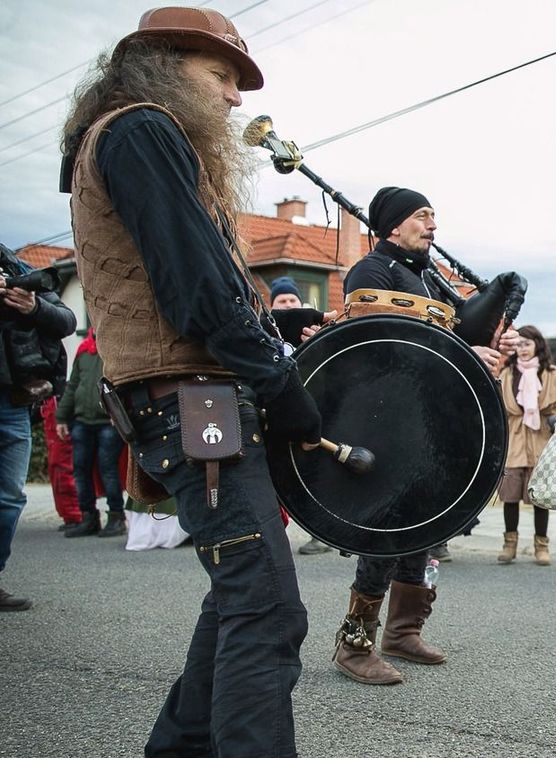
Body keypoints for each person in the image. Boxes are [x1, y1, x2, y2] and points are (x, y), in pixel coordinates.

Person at [61, 8, 318, 753]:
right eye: (223, 76)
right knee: (265, 609)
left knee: (243, 595)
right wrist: (276, 378)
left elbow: (192, 281)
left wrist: (276, 342)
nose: (238, 99)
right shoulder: (142, 128)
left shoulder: (128, 134)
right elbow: (196, 289)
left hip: (191, 396)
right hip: (192, 399)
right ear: (167, 65)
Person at [331, 185, 514, 686]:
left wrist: (494, 343)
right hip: (387, 422)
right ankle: (355, 643)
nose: (432, 225)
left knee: (424, 526)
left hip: (427, 422)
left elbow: (454, 338)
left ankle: (403, 631)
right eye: (422, 216)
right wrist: (463, 354)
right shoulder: (370, 273)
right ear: (392, 224)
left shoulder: (423, 276)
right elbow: (384, 348)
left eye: (434, 216)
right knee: (388, 528)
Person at [0, 254, 76, 612]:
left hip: (13, 400)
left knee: (10, 497)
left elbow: (66, 321)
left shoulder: (16, 270)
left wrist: (31, 307)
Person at [268, 275, 332, 556]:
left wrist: (319, 345)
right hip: (273, 421)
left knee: (316, 476)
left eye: (293, 300)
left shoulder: (313, 334)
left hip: (311, 418)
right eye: (282, 301)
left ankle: (321, 531)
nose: (289, 305)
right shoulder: (263, 335)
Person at [496, 325, 556, 567]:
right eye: (519, 344)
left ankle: (541, 546)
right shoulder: (506, 374)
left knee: (539, 498)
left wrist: (555, 419)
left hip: (540, 441)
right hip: (514, 441)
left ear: (537, 344)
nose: (522, 349)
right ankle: (509, 544)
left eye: (526, 343)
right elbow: (499, 410)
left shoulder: (552, 374)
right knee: (510, 496)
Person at [56, 330, 128, 538]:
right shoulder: (83, 351)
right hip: (82, 422)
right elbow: (73, 386)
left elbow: (123, 385)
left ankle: (116, 517)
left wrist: (119, 413)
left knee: (108, 469)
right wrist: (61, 417)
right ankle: (88, 517)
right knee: (80, 469)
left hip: (108, 422)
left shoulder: (115, 350)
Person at [41, 396, 83, 530]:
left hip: (59, 411)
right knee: (59, 468)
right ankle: (72, 514)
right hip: (55, 409)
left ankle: (75, 514)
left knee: (63, 468)